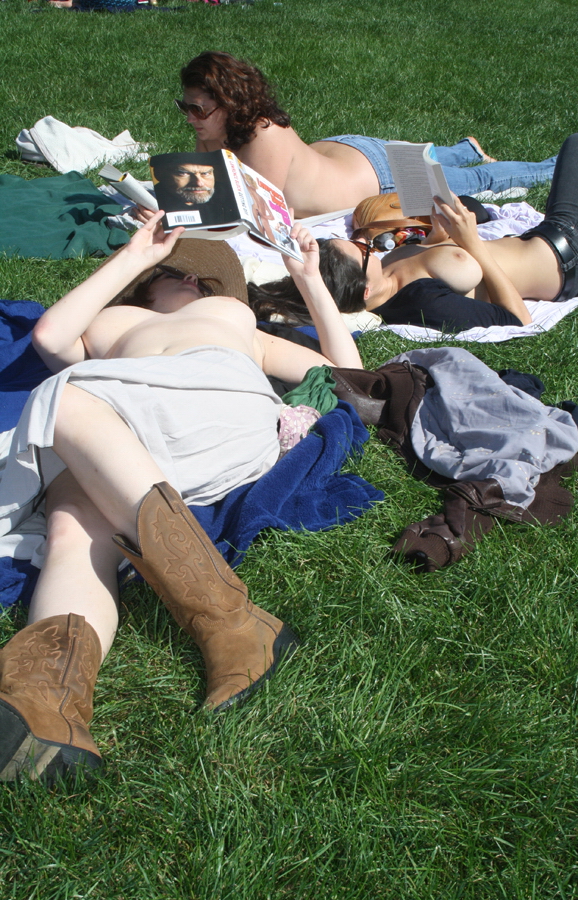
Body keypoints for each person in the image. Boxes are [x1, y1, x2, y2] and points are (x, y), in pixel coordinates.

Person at [0, 214, 362, 783]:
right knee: (72, 527)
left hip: (212, 407)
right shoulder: (107, 325)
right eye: (177, 272)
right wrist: (137, 255)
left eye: (206, 280)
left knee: (61, 402)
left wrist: (310, 281)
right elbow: (49, 337)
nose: (193, 280)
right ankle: (47, 701)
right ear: (147, 282)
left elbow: (350, 375)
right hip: (115, 427)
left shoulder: (238, 320)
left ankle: (230, 621)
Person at [249, 134, 578, 334]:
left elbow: (434, 257)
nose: (364, 242)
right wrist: (472, 243)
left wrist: (438, 233)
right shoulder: (422, 304)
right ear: (365, 290)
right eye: (362, 250)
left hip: (540, 237)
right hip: (567, 256)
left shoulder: (385, 271)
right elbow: (519, 321)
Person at [172, 51, 557, 219]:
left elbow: (254, 213)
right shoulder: (216, 128)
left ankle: (560, 164)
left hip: (382, 176)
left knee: (478, 181)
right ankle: (464, 149)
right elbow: (203, 192)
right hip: (349, 154)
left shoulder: (262, 134)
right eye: (185, 107)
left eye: (199, 109)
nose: (190, 118)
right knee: (435, 161)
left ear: (230, 103)